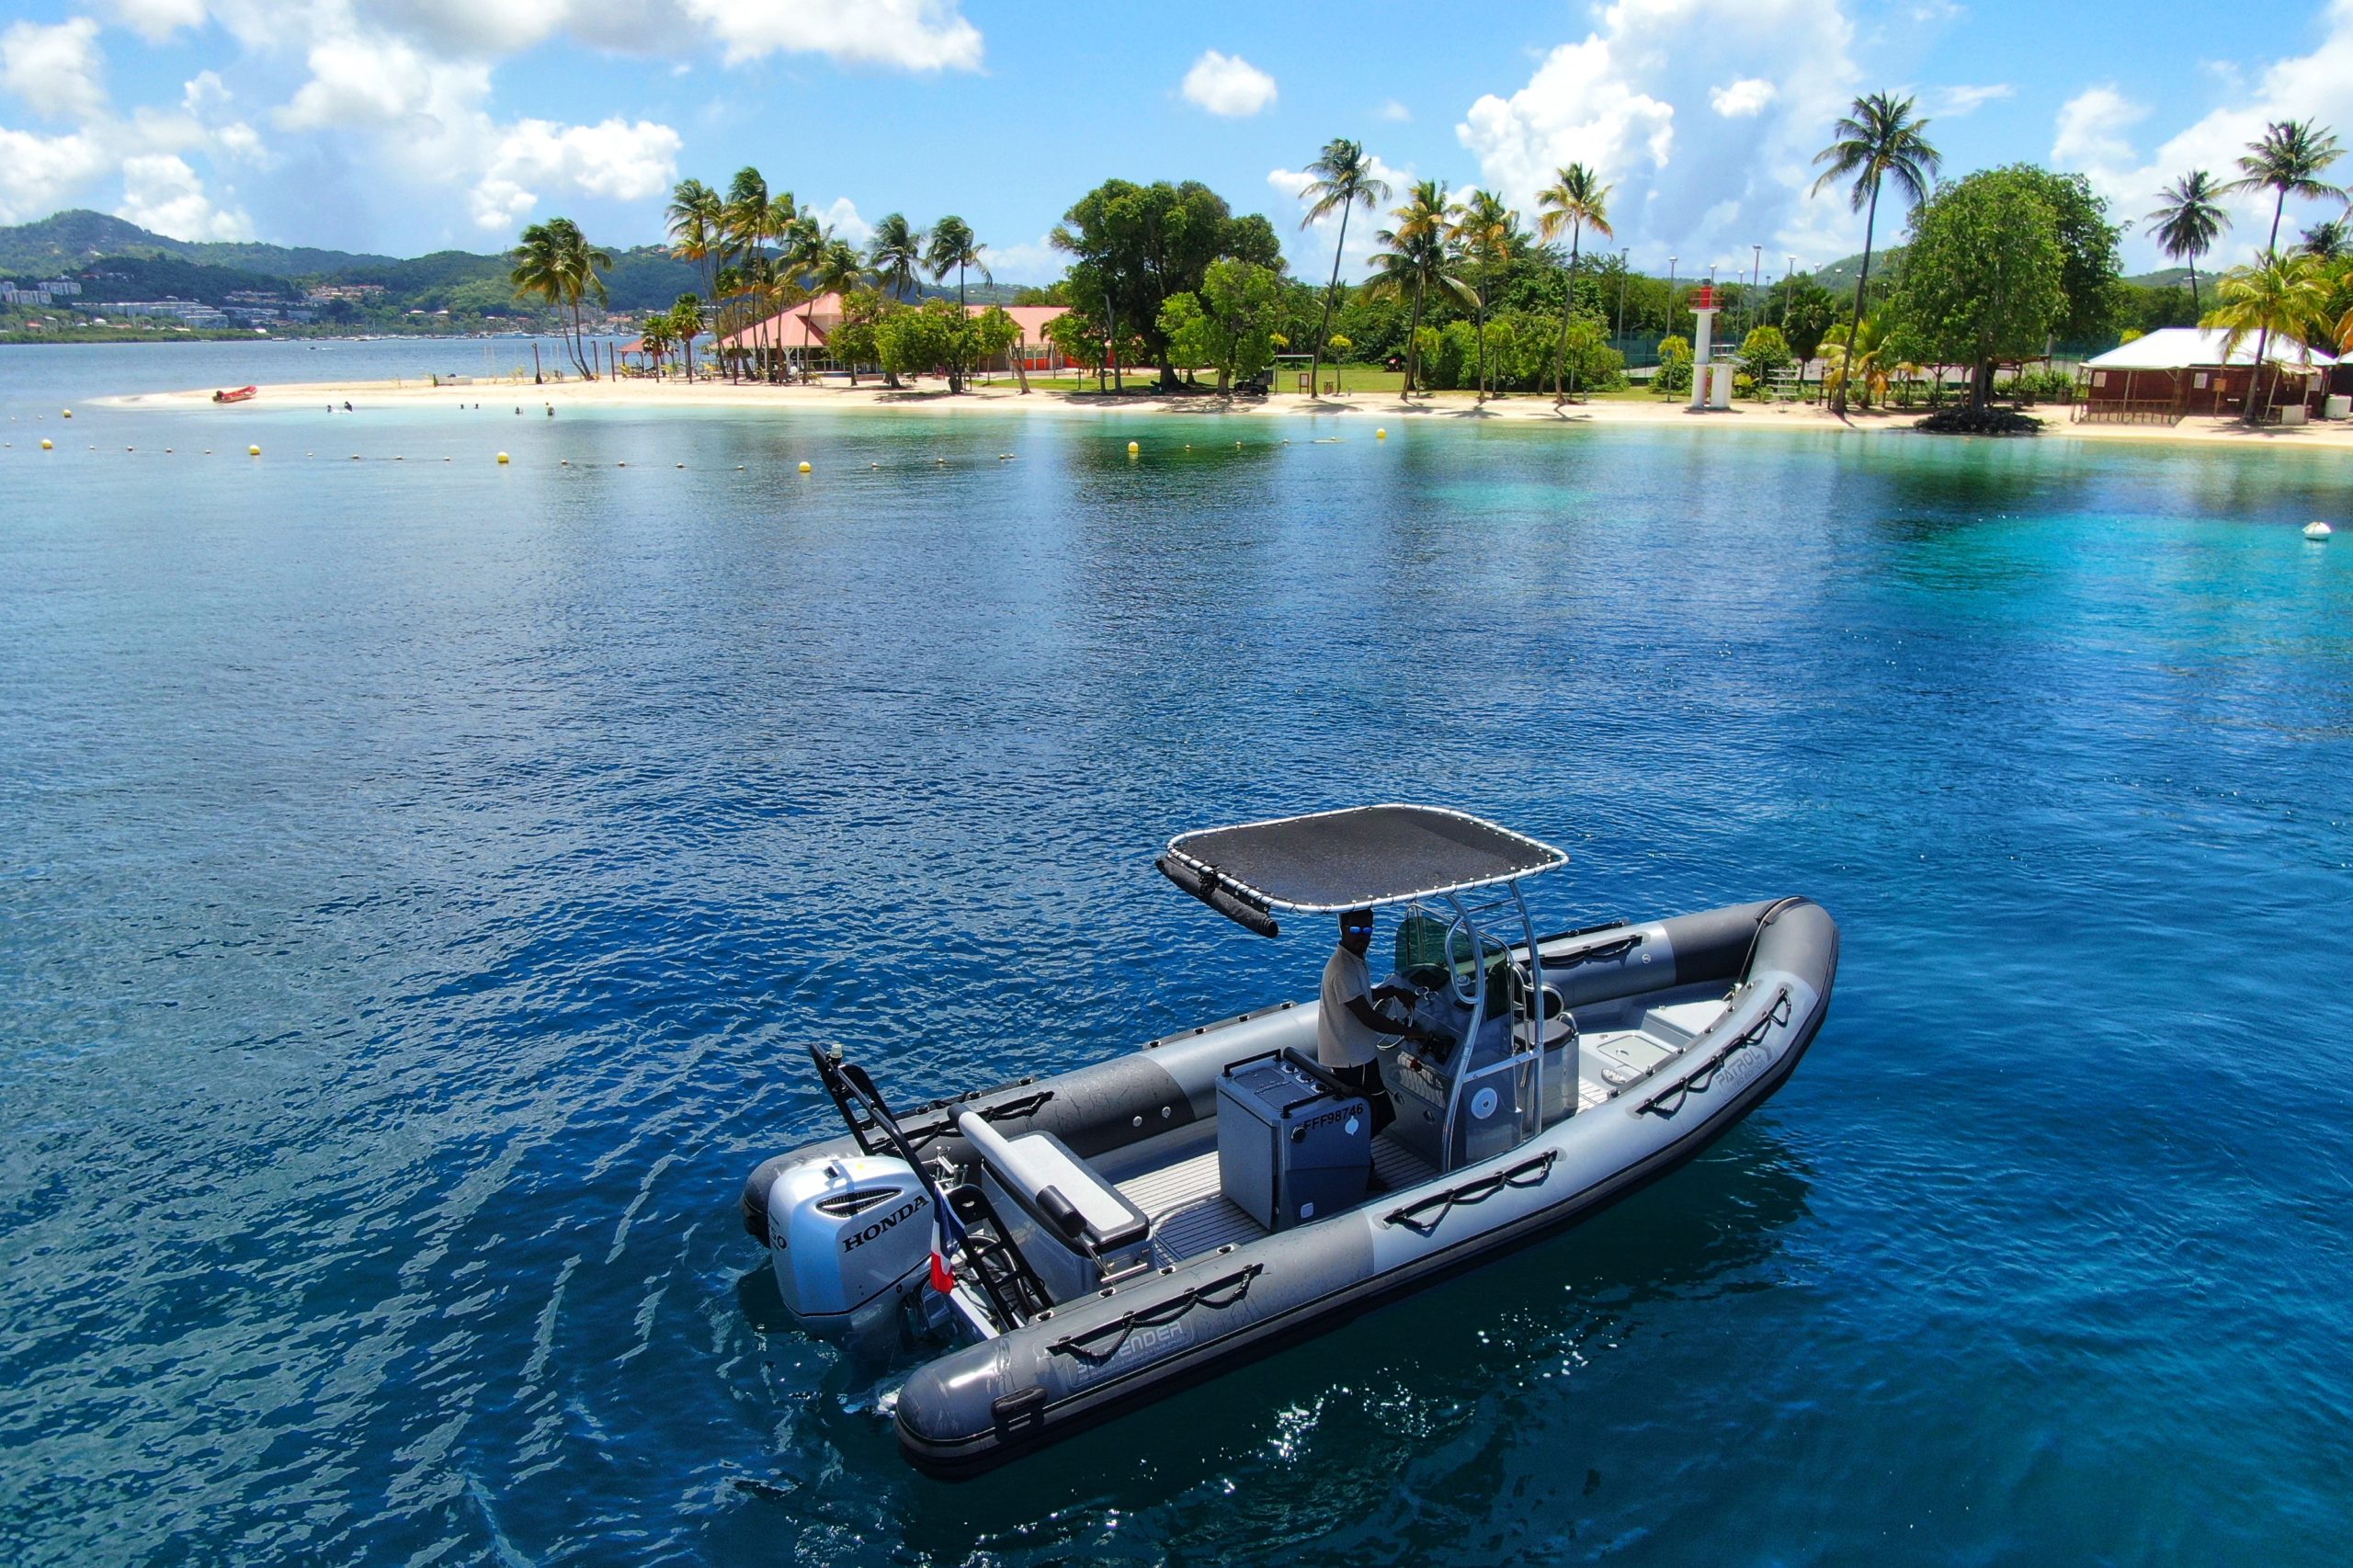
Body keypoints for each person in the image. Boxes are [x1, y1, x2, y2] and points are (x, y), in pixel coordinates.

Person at [1318, 908, 1438, 1138]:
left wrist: (1392, 991)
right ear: (1343, 929)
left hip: (1353, 1055)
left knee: (1363, 1114)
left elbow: (1360, 996)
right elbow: (1368, 1017)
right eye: (1355, 930)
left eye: (1367, 929)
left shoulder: (1353, 960)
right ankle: (1355, 1160)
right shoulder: (1343, 969)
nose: (1362, 935)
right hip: (1353, 1060)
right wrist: (1411, 1033)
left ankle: (1358, 1160)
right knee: (1380, 1113)